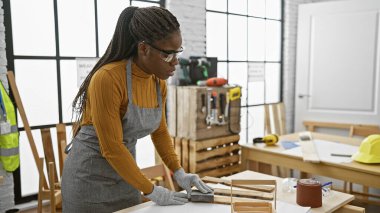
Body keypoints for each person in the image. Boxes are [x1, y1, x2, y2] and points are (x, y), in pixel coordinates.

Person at [61, 6, 212, 213]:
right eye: (168, 54)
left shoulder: (157, 83)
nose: (175, 62)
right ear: (143, 49)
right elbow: (112, 147)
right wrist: (153, 191)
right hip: (89, 178)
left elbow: (159, 132)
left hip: (126, 174)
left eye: (178, 53)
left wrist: (179, 172)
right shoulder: (108, 78)